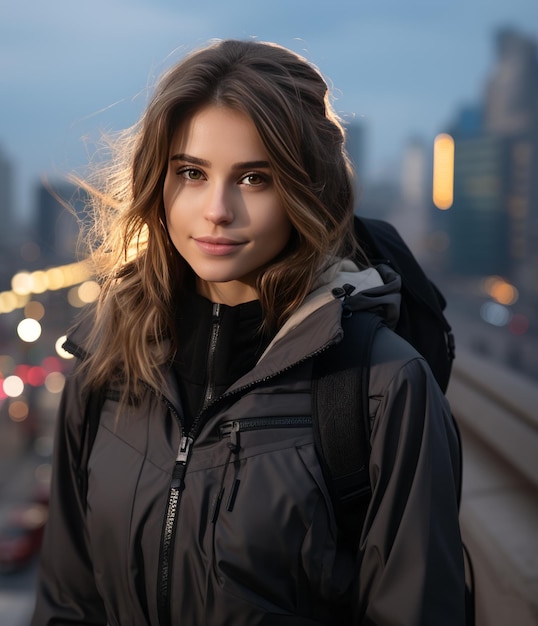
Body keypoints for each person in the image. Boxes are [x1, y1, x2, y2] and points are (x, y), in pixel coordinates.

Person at [31, 39, 466, 625]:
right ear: (158, 181)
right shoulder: (107, 363)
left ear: (306, 191)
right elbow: (68, 601)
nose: (217, 209)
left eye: (255, 178)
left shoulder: (383, 386)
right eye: (191, 172)